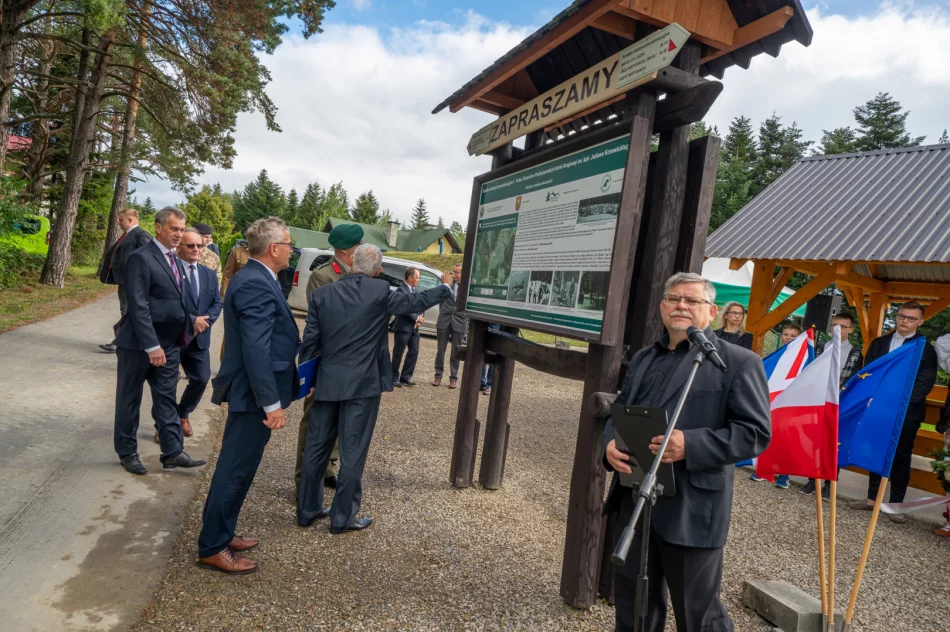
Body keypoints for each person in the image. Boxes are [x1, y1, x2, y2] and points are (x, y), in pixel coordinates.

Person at [603, 272, 771, 632]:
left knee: (698, 616)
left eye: (691, 300)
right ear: (663, 307)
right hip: (638, 502)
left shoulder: (739, 362)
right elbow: (621, 408)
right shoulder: (646, 358)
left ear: (711, 311)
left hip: (692, 510)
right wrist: (609, 445)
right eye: (674, 298)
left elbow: (755, 433)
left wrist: (690, 444)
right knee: (634, 609)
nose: (681, 305)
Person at [296, 245, 452, 533]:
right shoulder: (380, 292)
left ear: (351, 264)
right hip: (363, 385)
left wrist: (307, 379)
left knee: (316, 447)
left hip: (326, 381)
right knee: (352, 451)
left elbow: (310, 341)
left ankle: (307, 510)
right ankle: (342, 518)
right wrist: (444, 288)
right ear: (378, 270)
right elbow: (415, 301)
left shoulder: (321, 294)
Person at [197, 217, 300, 574]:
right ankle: (212, 546)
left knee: (240, 468)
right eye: (289, 245)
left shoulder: (255, 277)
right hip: (253, 394)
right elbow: (257, 349)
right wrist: (271, 404)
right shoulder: (256, 282)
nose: (291, 250)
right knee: (234, 470)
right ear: (274, 249)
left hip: (252, 390)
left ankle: (222, 534)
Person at [112, 206, 207, 476]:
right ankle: (127, 452)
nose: (178, 234)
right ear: (158, 227)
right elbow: (138, 305)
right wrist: (151, 346)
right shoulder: (141, 258)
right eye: (174, 228)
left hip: (170, 344)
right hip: (139, 345)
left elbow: (174, 301)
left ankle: (172, 452)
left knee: (166, 399)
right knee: (129, 399)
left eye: (181, 229)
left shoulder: (174, 259)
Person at [847, 301, 938, 523]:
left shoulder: (925, 348)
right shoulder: (879, 344)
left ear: (920, 322)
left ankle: (895, 505)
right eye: (902, 316)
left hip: (906, 412)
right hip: (878, 410)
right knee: (874, 451)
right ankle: (871, 499)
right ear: (897, 317)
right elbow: (868, 372)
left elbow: (925, 382)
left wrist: (899, 402)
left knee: (900, 457)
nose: (905, 321)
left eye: (911, 318)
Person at [294, 223, 365, 497]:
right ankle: (302, 479)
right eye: (359, 245)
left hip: (350, 363)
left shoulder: (359, 274)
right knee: (314, 420)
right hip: (326, 359)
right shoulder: (323, 276)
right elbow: (328, 321)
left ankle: (327, 468)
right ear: (349, 250)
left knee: (339, 419)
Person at [151, 228, 222, 443]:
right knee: (167, 385)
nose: (196, 249)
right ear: (179, 247)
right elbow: (164, 305)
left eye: (200, 246)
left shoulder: (208, 274)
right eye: (190, 245)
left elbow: (217, 303)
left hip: (199, 338)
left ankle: (182, 414)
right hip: (172, 337)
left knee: (200, 379)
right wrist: (192, 321)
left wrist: (204, 322)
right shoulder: (169, 272)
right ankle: (163, 425)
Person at [801, 312, 863, 498]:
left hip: (839, 403)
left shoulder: (856, 354)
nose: (839, 329)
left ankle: (830, 483)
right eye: (835, 325)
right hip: (818, 400)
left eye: (843, 326)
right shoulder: (821, 348)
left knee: (834, 443)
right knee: (815, 442)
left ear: (850, 330)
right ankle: (812, 480)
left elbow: (854, 381)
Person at [749, 322, 805, 488]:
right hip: (773, 402)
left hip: (791, 403)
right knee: (769, 434)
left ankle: (784, 475)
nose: (788, 338)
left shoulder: (802, 358)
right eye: (786, 334)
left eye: (793, 336)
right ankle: (764, 470)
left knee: (786, 439)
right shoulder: (776, 355)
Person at [100, 208, 153, 353]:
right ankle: (128, 341)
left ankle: (121, 342)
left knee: (128, 311)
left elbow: (150, 258)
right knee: (127, 311)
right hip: (125, 281)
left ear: (130, 220)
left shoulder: (140, 235)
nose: (118, 223)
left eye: (121, 220)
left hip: (133, 282)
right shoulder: (127, 235)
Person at [433, 263, 468, 388]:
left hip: (459, 321)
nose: (454, 274)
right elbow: (440, 301)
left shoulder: (467, 286)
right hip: (444, 319)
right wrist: (444, 313)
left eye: (457, 272)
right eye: (453, 271)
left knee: (456, 351)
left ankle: (453, 378)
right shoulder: (447, 284)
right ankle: (438, 376)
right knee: (440, 350)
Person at [391, 267, 424, 387]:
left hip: (414, 328)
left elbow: (419, 303)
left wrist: (421, 316)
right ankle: (393, 377)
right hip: (403, 327)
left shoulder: (414, 290)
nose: (419, 280)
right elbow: (404, 308)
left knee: (414, 351)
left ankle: (406, 376)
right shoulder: (401, 290)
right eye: (417, 277)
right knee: (398, 353)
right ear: (410, 278)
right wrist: (416, 318)